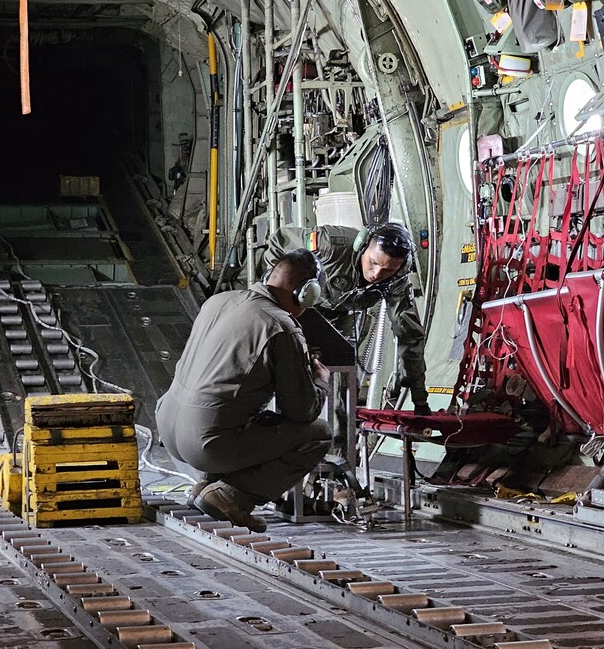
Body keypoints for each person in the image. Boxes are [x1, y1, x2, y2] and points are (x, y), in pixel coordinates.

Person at [155, 249, 332, 532]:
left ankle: (207, 484)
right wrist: (321, 382)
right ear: (307, 293)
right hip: (206, 445)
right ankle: (231, 497)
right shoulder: (281, 326)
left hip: (167, 426)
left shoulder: (218, 301)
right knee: (318, 433)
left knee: (247, 414)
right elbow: (301, 411)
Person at [264, 223, 432, 416]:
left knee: (345, 378)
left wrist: (419, 398)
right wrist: (277, 291)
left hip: (343, 315)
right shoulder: (329, 245)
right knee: (287, 361)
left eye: (387, 270)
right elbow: (279, 241)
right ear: (362, 246)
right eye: (373, 262)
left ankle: (339, 428)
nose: (376, 274)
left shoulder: (396, 282)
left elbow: (410, 336)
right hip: (300, 305)